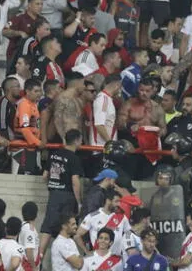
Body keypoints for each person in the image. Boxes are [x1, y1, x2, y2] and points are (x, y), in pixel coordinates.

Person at [38, 129, 83, 258]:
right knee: (67, 228)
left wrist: (52, 187)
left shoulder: (53, 155)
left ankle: (38, 261)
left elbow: (45, 176)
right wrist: (79, 202)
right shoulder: (74, 158)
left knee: (47, 227)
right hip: (67, 196)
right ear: (76, 141)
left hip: (54, 195)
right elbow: (75, 181)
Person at [117, 78, 167, 175]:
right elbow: (119, 122)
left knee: (147, 176)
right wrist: (129, 125)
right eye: (141, 90)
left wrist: (161, 132)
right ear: (138, 89)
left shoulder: (158, 108)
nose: (143, 93)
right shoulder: (129, 104)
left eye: (147, 91)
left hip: (150, 148)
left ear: (153, 91)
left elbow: (163, 127)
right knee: (130, 174)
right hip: (132, 145)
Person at [75, 189, 130, 256]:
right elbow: (77, 235)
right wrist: (87, 252)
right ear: (108, 201)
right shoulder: (92, 216)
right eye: (116, 201)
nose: (119, 204)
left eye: (119, 202)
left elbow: (129, 234)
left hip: (116, 259)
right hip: (98, 259)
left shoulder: (122, 217)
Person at [13, 78, 44, 174]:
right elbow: (25, 129)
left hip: (30, 147)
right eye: (36, 91)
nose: (39, 94)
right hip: (23, 148)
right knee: (24, 177)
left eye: (40, 91)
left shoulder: (33, 104)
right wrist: (38, 143)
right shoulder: (24, 105)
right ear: (27, 91)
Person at [3, 0, 43, 65]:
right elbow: (4, 31)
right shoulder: (19, 18)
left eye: (41, 4)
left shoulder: (42, 20)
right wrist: (19, 33)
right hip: (15, 56)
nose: (40, 7)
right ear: (29, 5)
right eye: (37, 4)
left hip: (34, 56)